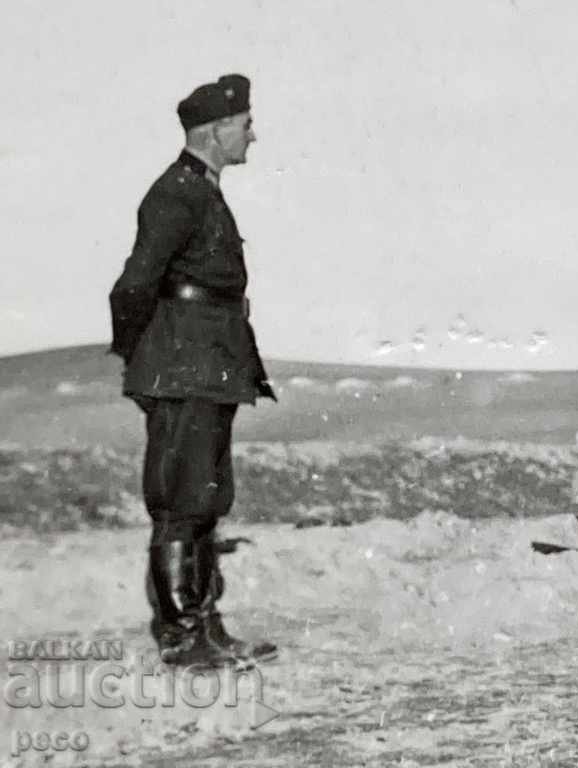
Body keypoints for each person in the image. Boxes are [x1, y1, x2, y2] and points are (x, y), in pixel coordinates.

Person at [108, 74, 277, 668]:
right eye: (245, 124)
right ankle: (182, 637)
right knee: (182, 501)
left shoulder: (201, 190)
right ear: (214, 131)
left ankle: (205, 625)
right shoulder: (176, 194)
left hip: (205, 366)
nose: (253, 135)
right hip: (183, 366)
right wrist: (145, 360)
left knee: (204, 498)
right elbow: (133, 287)